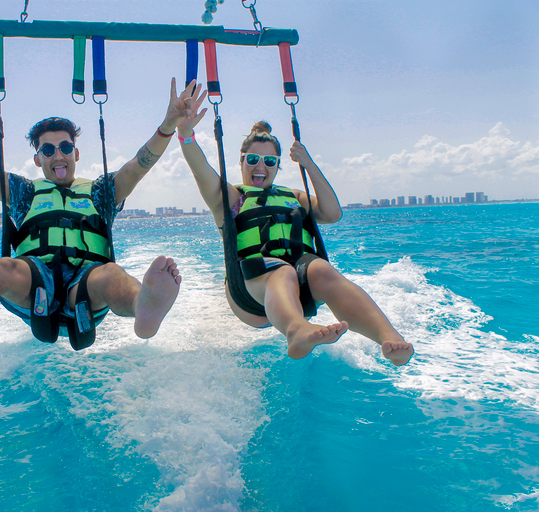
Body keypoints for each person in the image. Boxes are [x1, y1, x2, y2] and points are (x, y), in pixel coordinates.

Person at [0, 65, 191, 348]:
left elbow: (137, 168)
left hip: (86, 286)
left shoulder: (101, 192)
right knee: (4, 269)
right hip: (33, 282)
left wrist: (167, 127)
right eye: (48, 150)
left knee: (112, 275)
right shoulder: (23, 192)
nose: (58, 156)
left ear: (75, 153)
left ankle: (144, 304)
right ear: (38, 159)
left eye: (65, 148)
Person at [175, 85, 414, 365]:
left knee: (322, 269)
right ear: (241, 161)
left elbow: (332, 213)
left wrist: (308, 163)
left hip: (300, 286)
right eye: (252, 159)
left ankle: (387, 337)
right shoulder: (231, 198)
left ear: (277, 165)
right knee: (283, 273)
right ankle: (296, 330)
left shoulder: (293, 197)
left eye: (269, 161)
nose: (260, 166)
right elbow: (200, 169)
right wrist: (186, 135)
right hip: (250, 290)